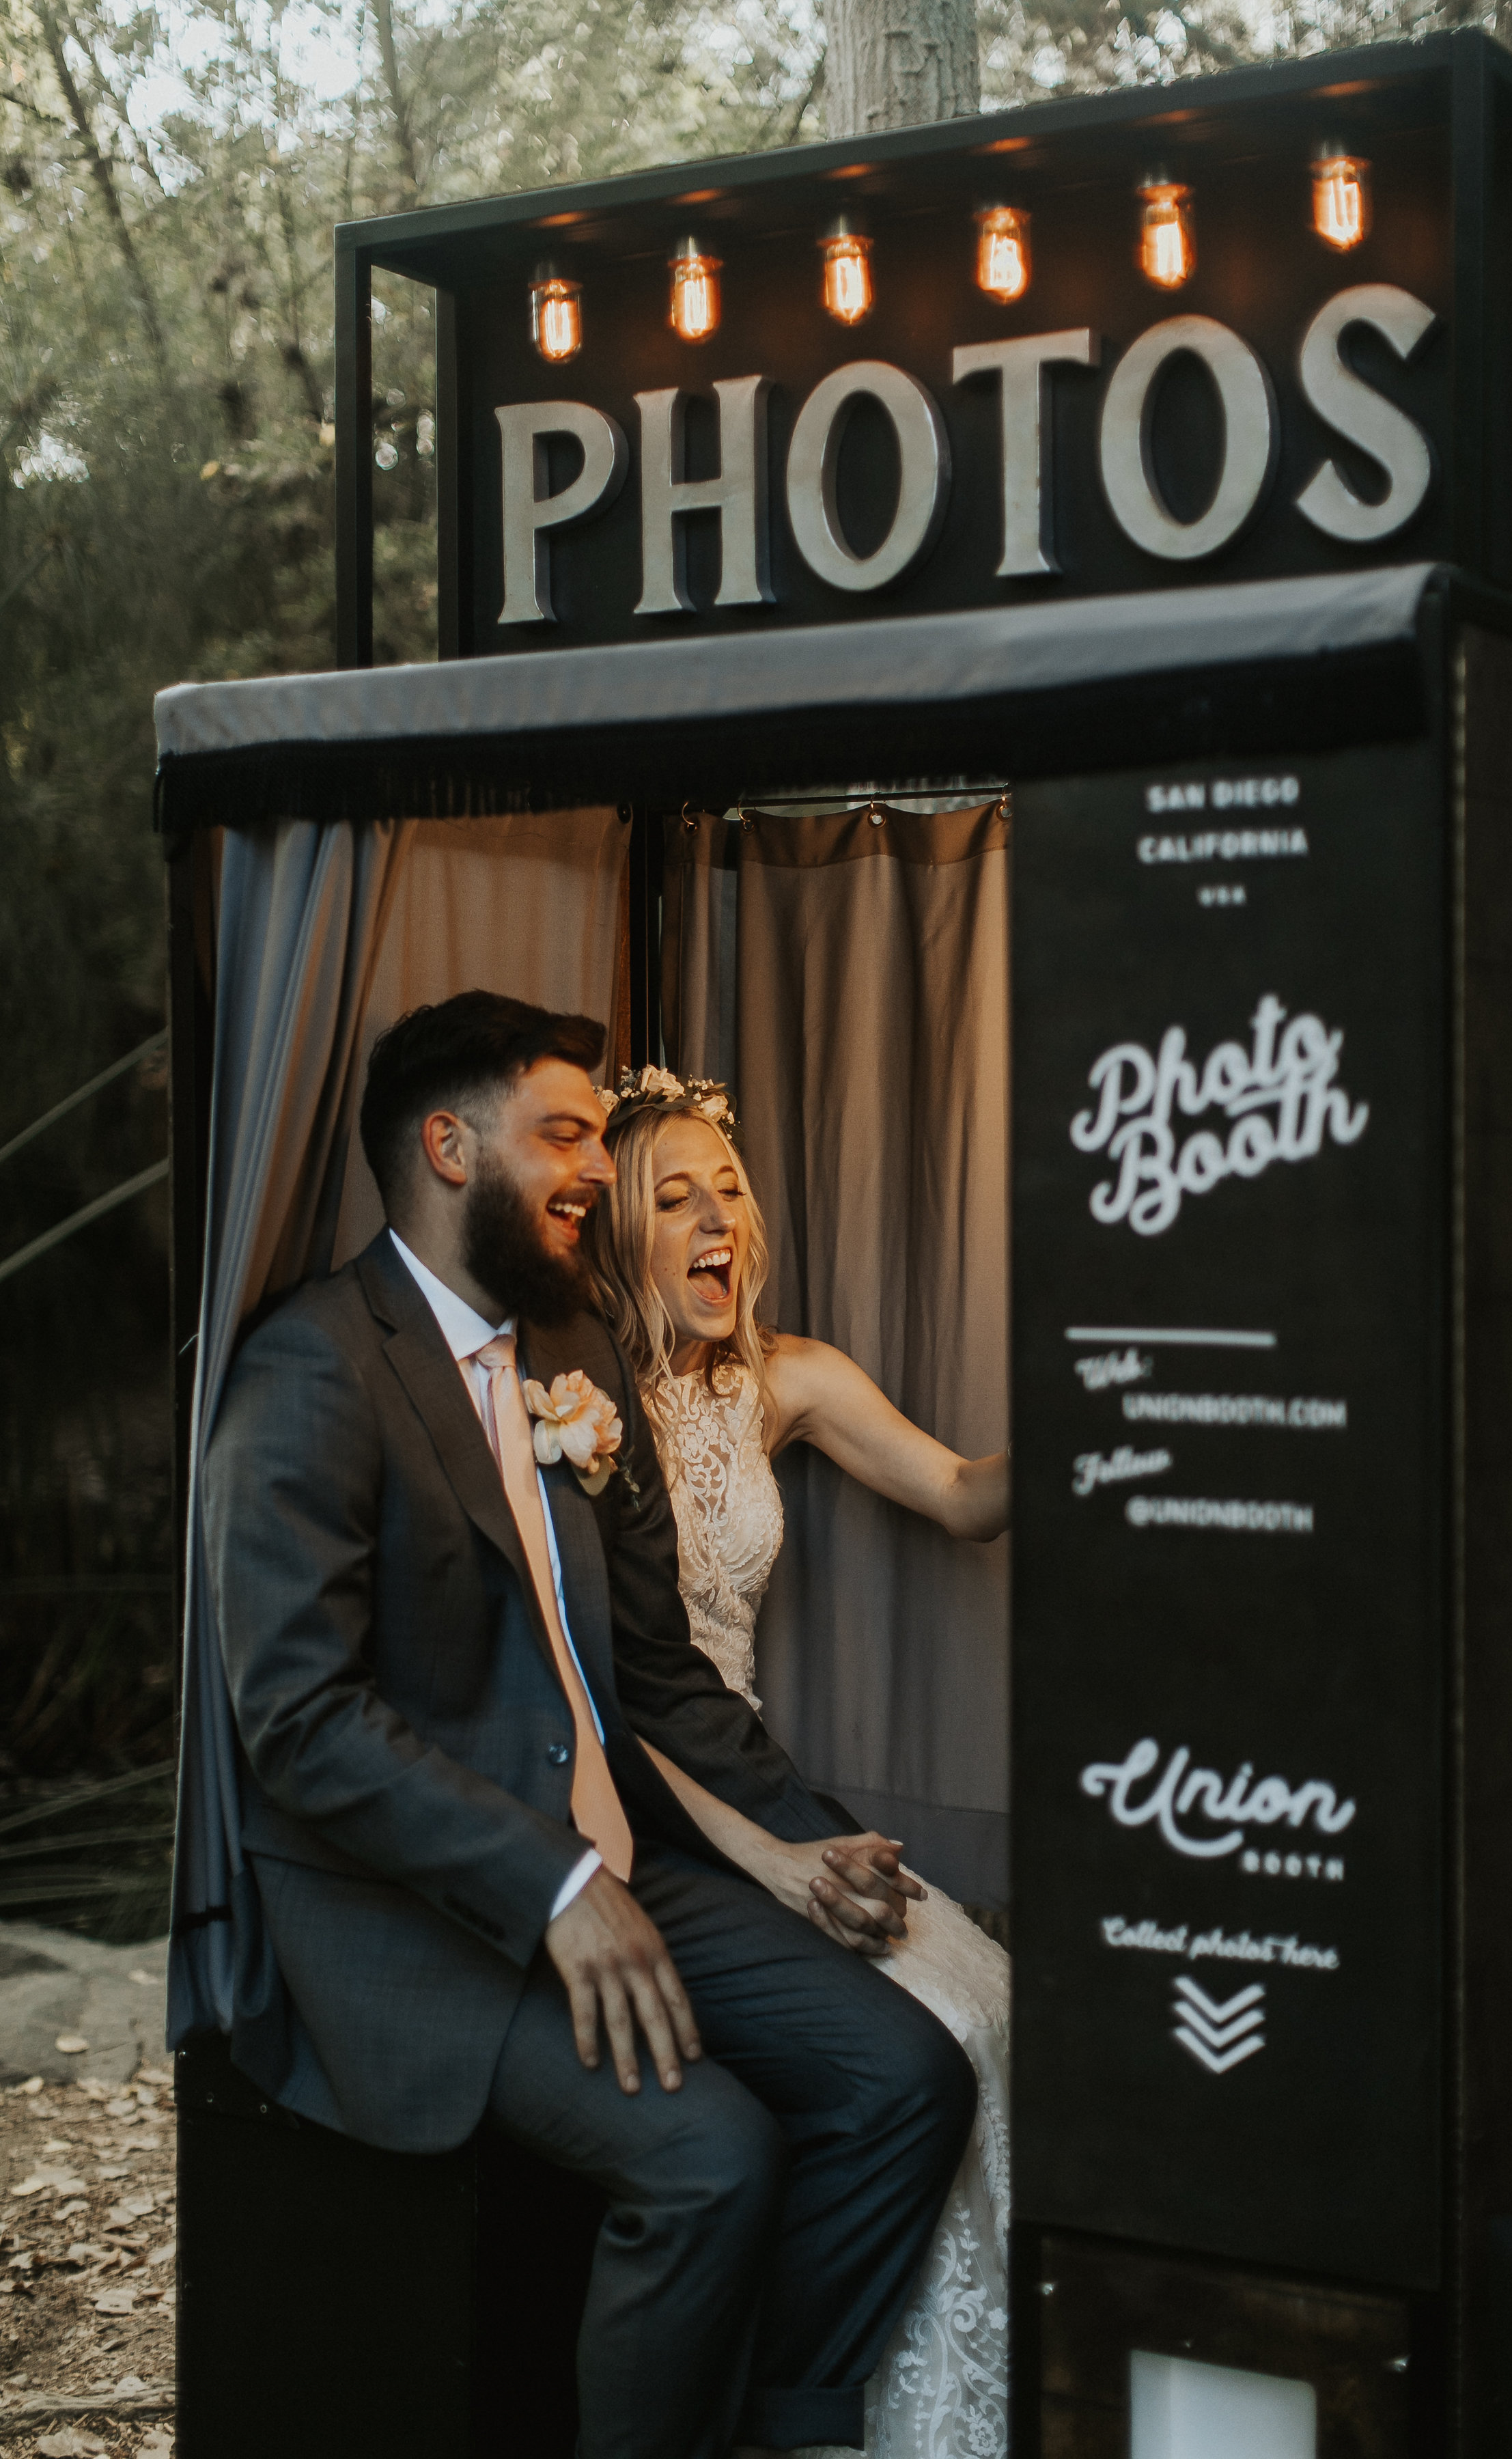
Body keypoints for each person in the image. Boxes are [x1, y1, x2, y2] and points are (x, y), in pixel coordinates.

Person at [201, 991, 979, 2459]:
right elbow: (300, 1724)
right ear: (450, 1148)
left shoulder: (576, 1351)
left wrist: (805, 1845)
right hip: (415, 1918)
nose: (595, 1170)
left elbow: (658, 1669)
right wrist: (554, 1887)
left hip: (624, 1861)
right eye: (564, 1135)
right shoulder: (314, 1368)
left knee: (906, 2080)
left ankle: (780, 2429)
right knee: (713, 2156)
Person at [587, 1068, 1012, 2459]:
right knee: (923, 2049)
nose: (720, 1219)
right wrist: (769, 1860)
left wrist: (1085, 1393)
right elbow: (598, 1689)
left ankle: (946, 2410)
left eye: (730, 1189)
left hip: (759, 1778)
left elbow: (964, 1496)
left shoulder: (783, 1380)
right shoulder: (570, 1407)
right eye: (675, 1197)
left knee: (992, 2005)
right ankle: (814, 2418)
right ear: (615, 1232)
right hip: (656, 1810)